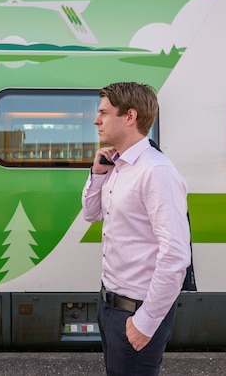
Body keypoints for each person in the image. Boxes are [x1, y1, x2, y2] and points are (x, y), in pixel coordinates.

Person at [82, 82, 191, 375]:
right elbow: (90, 214)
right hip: (110, 306)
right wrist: (97, 174)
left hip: (138, 311)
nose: (96, 120)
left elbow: (175, 256)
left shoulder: (156, 172)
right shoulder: (117, 166)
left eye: (104, 113)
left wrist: (146, 322)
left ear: (129, 116)